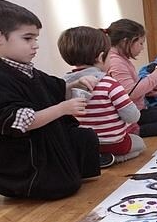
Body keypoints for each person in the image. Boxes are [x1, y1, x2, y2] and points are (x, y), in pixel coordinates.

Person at [0, 0, 100, 199]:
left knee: (83, 138)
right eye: (28, 39)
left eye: (35, 39)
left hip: (45, 141)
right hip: (22, 155)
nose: (35, 45)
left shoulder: (25, 69)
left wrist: (76, 85)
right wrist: (63, 108)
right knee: (60, 186)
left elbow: (52, 90)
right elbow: (20, 121)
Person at [58, 26, 146, 164]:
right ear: (100, 57)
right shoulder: (110, 84)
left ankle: (95, 157)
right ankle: (112, 159)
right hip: (113, 143)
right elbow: (132, 116)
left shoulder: (62, 84)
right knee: (139, 144)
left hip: (82, 144)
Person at [106, 19, 157, 137]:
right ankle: (131, 131)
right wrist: (155, 76)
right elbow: (130, 93)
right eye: (140, 43)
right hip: (132, 112)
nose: (142, 48)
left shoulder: (121, 60)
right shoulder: (116, 62)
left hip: (139, 108)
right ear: (126, 42)